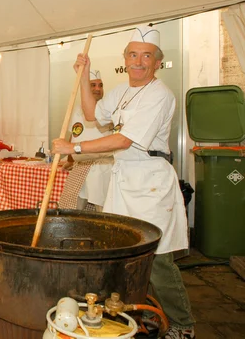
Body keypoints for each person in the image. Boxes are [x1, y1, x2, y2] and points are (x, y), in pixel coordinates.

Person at [51, 26, 194, 339]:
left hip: (151, 183)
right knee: (125, 252)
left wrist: (73, 148)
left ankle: (183, 325)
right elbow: (93, 114)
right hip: (124, 180)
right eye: (133, 55)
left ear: (157, 62)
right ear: (125, 59)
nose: (139, 61)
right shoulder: (120, 91)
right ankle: (135, 314)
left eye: (146, 56)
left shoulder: (159, 95)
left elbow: (125, 140)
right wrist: (85, 73)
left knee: (157, 258)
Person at [60, 70, 113, 211]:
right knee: (71, 209)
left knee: (103, 211)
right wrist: (70, 160)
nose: (97, 89)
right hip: (81, 166)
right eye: (93, 85)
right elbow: (74, 135)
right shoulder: (77, 109)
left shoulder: (108, 110)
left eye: (100, 85)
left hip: (102, 167)